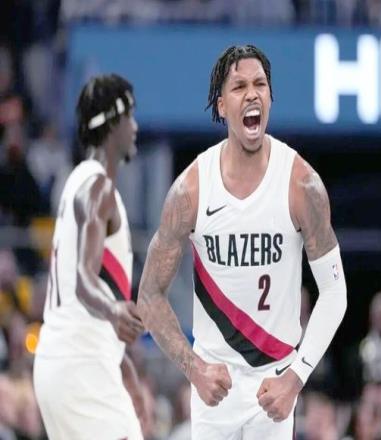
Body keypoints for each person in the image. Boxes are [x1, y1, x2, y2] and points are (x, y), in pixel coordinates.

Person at [137, 45, 348, 439]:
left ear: (270, 97)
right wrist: (194, 369)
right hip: (215, 385)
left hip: (276, 382)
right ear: (221, 106)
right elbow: (149, 296)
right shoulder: (191, 190)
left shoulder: (302, 184)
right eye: (239, 87)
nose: (252, 94)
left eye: (260, 84)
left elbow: (335, 292)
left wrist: (296, 377)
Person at [33, 74, 145, 440]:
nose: (135, 127)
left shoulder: (77, 183)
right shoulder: (98, 187)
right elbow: (84, 277)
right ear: (112, 123)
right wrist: (114, 311)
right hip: (80, 363)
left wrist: (124, 366)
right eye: (129, 117)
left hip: (66, 361)